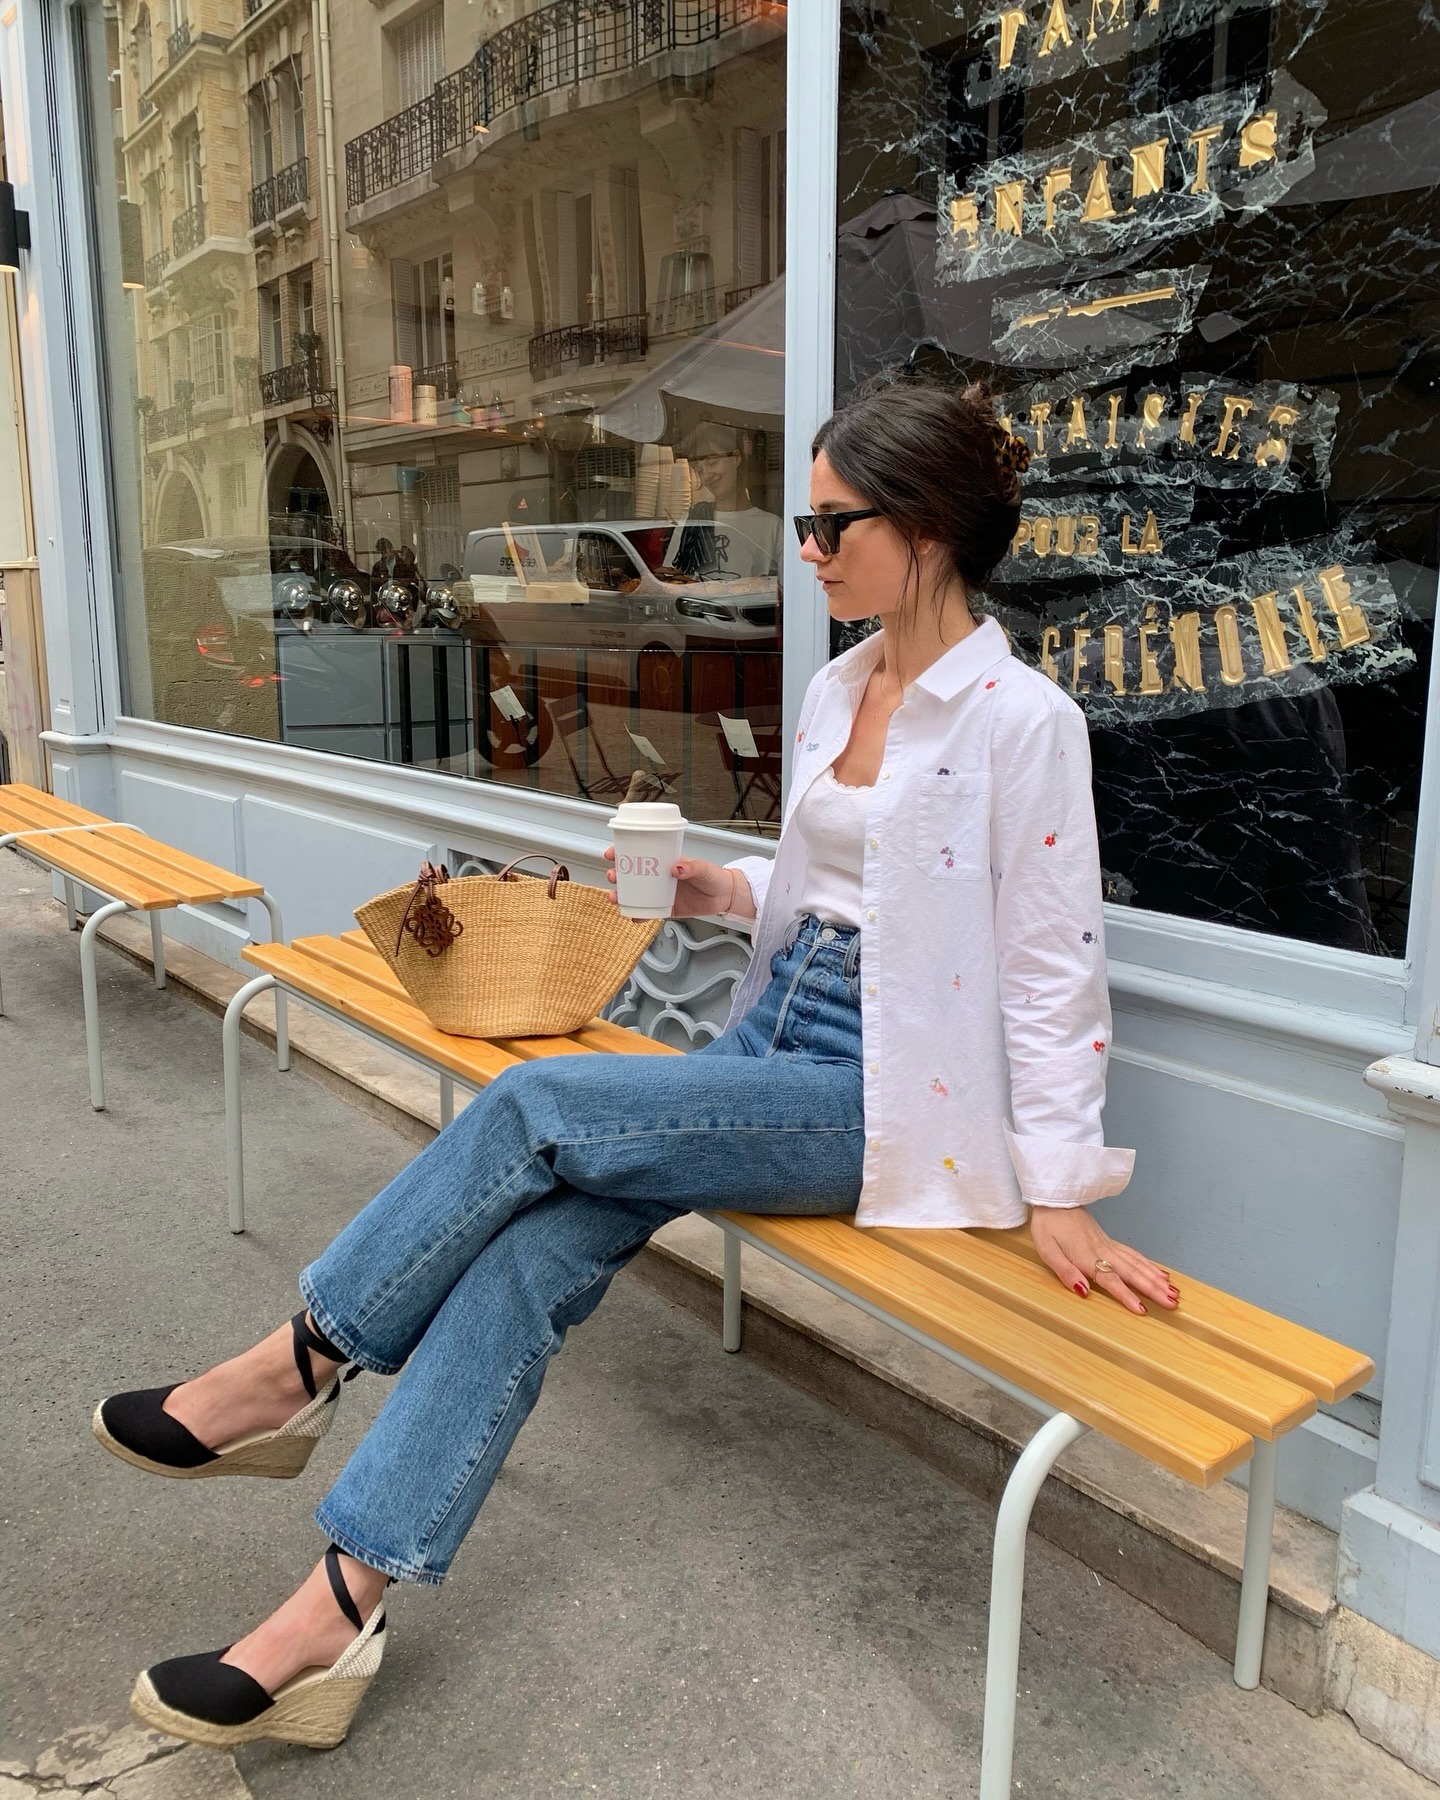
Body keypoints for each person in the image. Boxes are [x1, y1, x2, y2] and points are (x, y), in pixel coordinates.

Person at [93, 375, 1174, 1751]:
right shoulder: (842, 685)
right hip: (771, 1037)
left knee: (538, 1102)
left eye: (830, 525)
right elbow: (848, 880)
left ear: (927, 527)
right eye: (807, 523)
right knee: (530, 1251)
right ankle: (333, 1615)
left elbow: (1050, 962)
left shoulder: (1024, 720)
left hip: (882, 1095)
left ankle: (296, 1364)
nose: (806, 550)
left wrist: (1062, 1185)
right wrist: (728, 891)